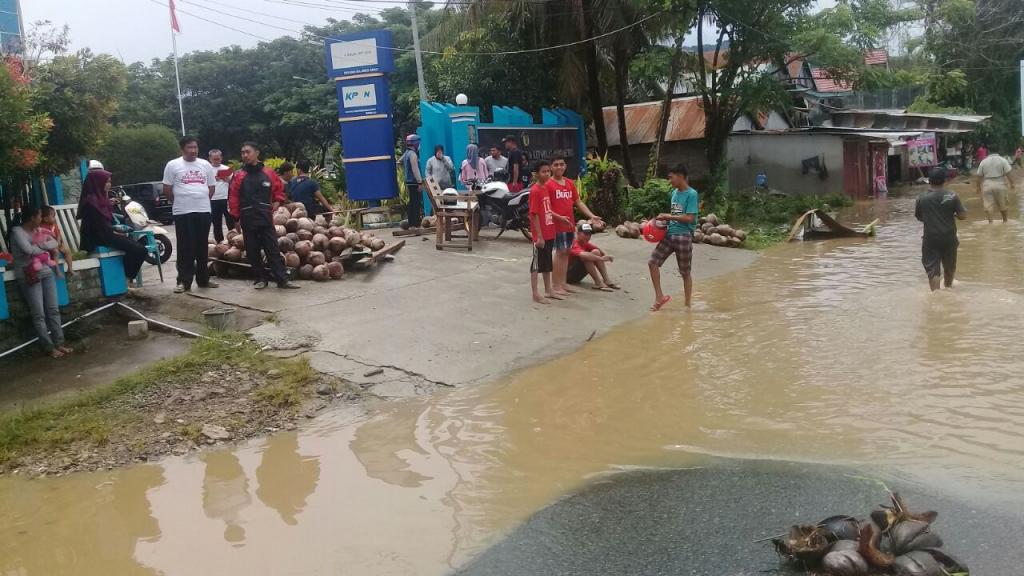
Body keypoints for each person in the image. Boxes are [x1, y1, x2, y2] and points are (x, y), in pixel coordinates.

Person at [229, 141, 300, 290]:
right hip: (247, 218)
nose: (245, 155)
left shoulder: (268, 173)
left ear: (257, 153)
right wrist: (235, 217)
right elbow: (234, 197)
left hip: (265, 217)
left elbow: (279, 189)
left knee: (273, 250)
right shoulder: (239, 176)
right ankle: (260, 279)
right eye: (243, 153)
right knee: (253, 251)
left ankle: (282, 280)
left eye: (248, 152)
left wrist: (277, 202)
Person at [10, 205, 72, 357]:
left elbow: (55, 243)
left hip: (45, 271)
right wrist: (43, 247)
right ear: (32, 218)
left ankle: (59, 342)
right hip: (29, 274)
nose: (41, 218)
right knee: (39, 313)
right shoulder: (17, 232)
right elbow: (28, 250)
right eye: (39, 216)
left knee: (53, 309)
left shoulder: (38, 231)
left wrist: (39, 246)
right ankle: (49, 347)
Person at [78, 169, 157, 285]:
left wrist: (116, 228)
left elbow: (107, 221)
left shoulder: (101, 199)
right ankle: (126, 279)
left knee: (137, 247)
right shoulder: (92, 203)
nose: (109, 184)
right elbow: (97, 227)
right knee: (140, 250)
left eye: (109, 181)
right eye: (105, 182)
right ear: (97, 183)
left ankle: (126, 279)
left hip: (106, 233)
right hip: (97, 238)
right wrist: (115, 231)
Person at [163, 136, 217, 293]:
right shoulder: (173, 165)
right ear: (182, 149)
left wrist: (200, 200)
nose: (193, 150)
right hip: (183, 212)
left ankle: (203, 279)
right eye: (189, 147)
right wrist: (179, 202)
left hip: (203, 211)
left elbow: (211, 188)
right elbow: (167, 189)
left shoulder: (205, 165)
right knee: (185, 247)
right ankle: (184, 281)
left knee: (202, 247)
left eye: (195, 147)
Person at [547, 157, 602, 296]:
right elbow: (546, 207)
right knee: (559, 253)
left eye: (561, 164)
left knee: (566, 253)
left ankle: (563, 283)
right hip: (556, 225)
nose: (559, 167)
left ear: (565, 166)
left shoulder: (569, 183)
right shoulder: (548, 184)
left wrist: (591, 215)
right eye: (556, 164)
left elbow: (578, 202)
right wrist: (558, 218)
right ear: (551, 167)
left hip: (570, 225)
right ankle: (555, 285)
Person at [649, 164, 698, 311]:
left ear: (680, 176)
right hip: (669, 235)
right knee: (652, 262)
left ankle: (687, 305)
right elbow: (675, 216)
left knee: (685, 273)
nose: (669, 180)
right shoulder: (674, 193)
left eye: (671, 177)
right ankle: (659, 297)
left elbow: (689, 218)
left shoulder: (692, 194)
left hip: (684, 236)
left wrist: (668, 216)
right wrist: (661, 222)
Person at [915, 167, 967, 291]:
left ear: (929, 181)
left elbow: (919, 216)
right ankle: (948, 288)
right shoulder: (952, 196)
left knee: (933, 269)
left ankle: (936, 295)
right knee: (949, 267)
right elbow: (963, 216)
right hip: (949, 237)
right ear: (945, 180)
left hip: (930, 238)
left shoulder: (921, 198)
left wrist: (930, 219)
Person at [528, 159, 568, 304]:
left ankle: (548, 290)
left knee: (547, 263)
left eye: (547, 171)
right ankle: (535, 293)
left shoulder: (545, 188)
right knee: (536, 264)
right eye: (543, 171)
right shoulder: (535, 190)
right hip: (541, 235)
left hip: (549, 231)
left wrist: (559, 218)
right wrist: (539, 236)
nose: (547, 174)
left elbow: (547, 210)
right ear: (536, 174)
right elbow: (534, 214)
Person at [568, 222, 619, 291]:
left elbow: (598, 249)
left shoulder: (584, 243)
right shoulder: (574, 243)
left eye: (589, 234)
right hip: (568, 276)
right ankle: (598, 282)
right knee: (587, 256)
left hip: (576, 276)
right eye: (585, 234)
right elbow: (584, 255)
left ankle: (606, 280)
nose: (588, 236)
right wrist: (601, 259)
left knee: (595, 252)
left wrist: (607, 255)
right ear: (578, 233)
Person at [974, 146, 1015, 223]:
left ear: (988, 151)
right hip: (1000, 183)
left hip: (987, 184)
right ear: (999, 151)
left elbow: (979, 176)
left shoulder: (983, 161)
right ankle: (1005, 222)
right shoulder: (1003, 160)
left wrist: (977, 187)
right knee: (1003, 204)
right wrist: (1012, 184)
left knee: (988, 205)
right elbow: (1008, 173)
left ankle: (990, 223)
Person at [208, 149, 235, 244]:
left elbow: (234, 184)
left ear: (221, 158)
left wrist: (227, 180)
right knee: (216, 223)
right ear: (210, 159)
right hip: (213, 199)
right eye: (214, 159)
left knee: (230, 221)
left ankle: (233, 240)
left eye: (218, 159)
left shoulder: (226, 169)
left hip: (226, 198)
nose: (216, 161)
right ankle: (220, 242)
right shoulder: (207, 169)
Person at [39, 205, 73, 278]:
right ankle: (57, 270)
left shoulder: (54, 225)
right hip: (49, 247)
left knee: (67, 250)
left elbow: (58, 235)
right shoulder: (42, 227)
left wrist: (58, 243)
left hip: (57, 244)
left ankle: (70, 268)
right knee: (55, 252)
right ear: (45, 219)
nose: (55, 218)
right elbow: (45, 239)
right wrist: (55, 245)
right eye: (53, 216)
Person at [401, 134, 424, 229]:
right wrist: (420, 182)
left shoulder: (406, 153)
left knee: (412, 202)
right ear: (415, 143)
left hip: (408, 181)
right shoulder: (413, 154)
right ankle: (415, 224)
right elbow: (415, 170)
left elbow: (399, 161)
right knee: (416, 203)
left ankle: (411, 224)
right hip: (414, 182)